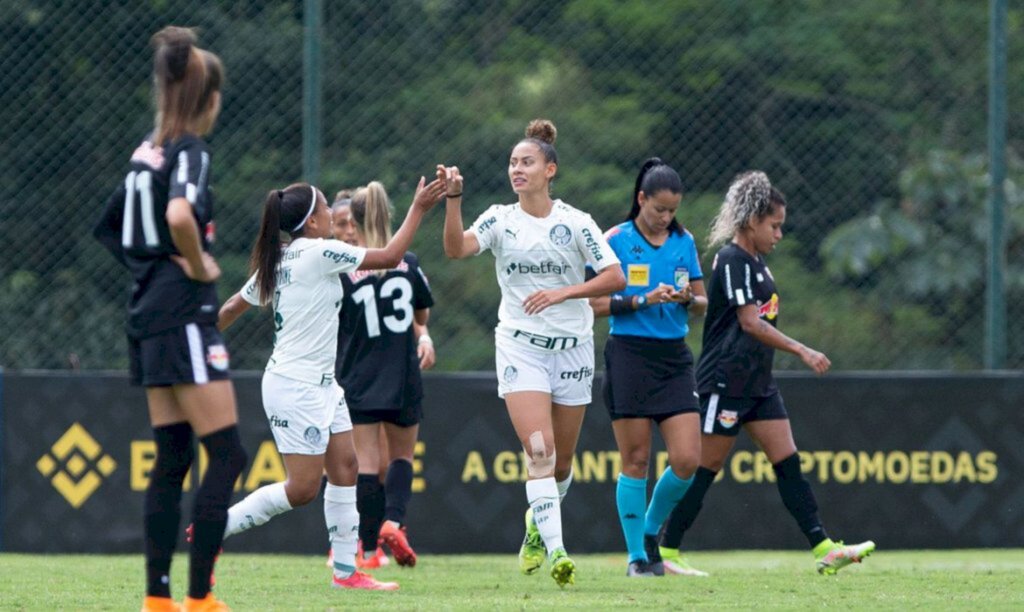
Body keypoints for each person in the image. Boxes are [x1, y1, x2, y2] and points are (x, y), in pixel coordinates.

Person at [215, 177, 445, 591]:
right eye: (325, 208)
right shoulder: (320, 252)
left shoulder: (281, 258)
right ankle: (216, 527)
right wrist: (420, 208)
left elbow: (232, 307)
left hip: (324, 385)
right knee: (301, 489)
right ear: (313, 220)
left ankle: (345, 571)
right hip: (294, 385)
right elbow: (392, 254)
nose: (332, 214)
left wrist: (199, 341)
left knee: (347, 469)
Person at [92, 26, 245, 612]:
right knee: (226, 453)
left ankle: (158, 601)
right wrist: (197, 263)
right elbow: (181, 212)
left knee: (174, 454)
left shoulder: (143, 151)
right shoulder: (189, 151)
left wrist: (149, 265)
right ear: (207, 99)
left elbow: (109, 228)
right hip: (182, 314)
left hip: (146, 314)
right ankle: (201, 599)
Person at [657, 171, 875, 575]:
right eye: (773, 226)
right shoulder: (732, 259)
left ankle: (824, 547)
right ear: (751, 220)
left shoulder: (760, 265)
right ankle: (665, 551)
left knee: (788, 462)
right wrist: (802, 349)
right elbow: (750, 323)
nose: (778, 234)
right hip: (726, 379)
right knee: (703, 470)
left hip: (758, 383)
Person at [440, 119, 626, 587]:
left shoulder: (576, 222)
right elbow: (456, 249)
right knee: (538, 451)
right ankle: (559, 551)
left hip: (574, 350)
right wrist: (454, 200)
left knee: (562, 464)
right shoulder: (500, 218)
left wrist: (566, 293)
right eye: (512, 163)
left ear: (550, 170)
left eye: (527, 162)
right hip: (521, 347)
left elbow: (615, 277)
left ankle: (536, 528)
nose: (517, 169)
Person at [589, 158, 708, 577]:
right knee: (636, 458)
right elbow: (594, 303)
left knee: (688, 459)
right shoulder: (614, 240)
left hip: (673, 357)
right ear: (641, 199)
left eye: (672, 210)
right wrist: (642, 300)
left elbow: (702, 299)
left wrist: (685, 300)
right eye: (659, 209)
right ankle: (637, 558)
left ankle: (651, 532)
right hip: (630, 356)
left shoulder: (684, 240)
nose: (665, 218)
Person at [335, 182, 437, 570]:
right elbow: (421, 314)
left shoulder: (343, 267)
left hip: (358, 377)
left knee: (365, 463)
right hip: (403, 374)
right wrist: (422, 334)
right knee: (401, 457)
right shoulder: (408, 262)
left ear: (353, 223)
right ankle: (393, 521)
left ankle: (368, 551)